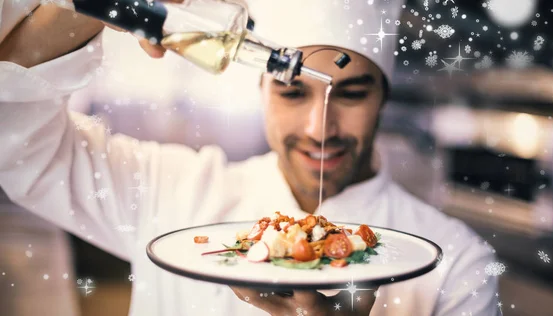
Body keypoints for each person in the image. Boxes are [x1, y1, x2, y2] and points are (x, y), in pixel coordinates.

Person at [0, 0, 500, 315]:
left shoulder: (456, 264)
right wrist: (85, 4)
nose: (318, 129)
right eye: (292, 94)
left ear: (384, 98)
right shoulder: (172, 192)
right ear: (261, 88)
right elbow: (18, 142)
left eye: (350, 95)